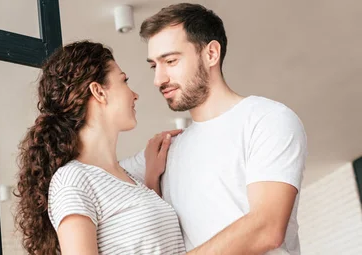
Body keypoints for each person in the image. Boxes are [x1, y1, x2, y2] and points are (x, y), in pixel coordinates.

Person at [122, 3, 307, 255]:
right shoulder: (166, 151)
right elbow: (88, 174)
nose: (159, 79)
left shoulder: (266, 119)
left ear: (211, 54)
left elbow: (267, 228)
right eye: (155, 65)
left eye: (171, 60)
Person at [14, 40, 186, 255]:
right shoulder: (73, 180)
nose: (135, 94)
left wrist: (152, 179)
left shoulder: (127, 178)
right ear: (98, 91)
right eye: (124, 81)